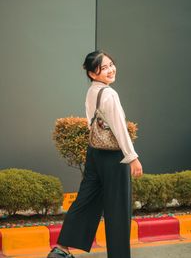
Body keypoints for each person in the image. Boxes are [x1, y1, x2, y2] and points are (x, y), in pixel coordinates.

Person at [47, 50, 143, 258]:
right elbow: (119, 128)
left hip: (95, 153)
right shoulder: (109, 94)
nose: (110, 69)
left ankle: (61, 249)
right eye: (104, 67)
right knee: (118, 209)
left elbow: (92, 121)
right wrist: (132, 157)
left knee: (86, 199)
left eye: (111, 64)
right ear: (92, 73)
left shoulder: (93, 91)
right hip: (113, 156)